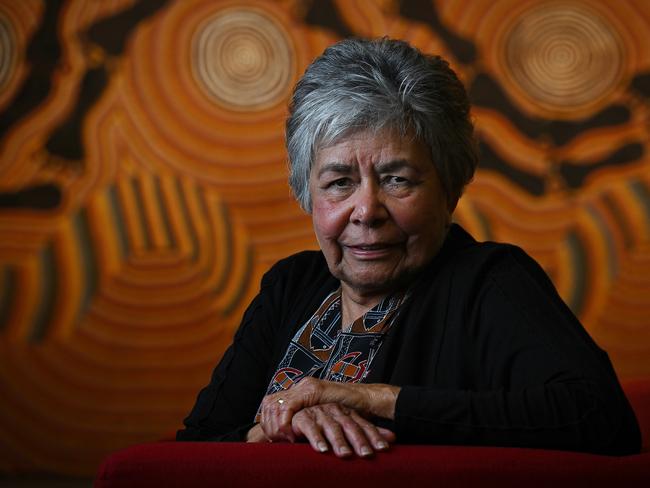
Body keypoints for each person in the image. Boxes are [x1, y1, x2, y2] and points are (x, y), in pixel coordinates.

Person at [177, 37, 641, 457]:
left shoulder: (491, 282)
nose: (366, 210)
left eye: (397, 179)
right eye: (339, 183)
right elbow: (196, 444)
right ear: (307, 194)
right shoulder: (288, 286)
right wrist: (282, 426)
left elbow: (599, 418)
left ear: (450, 190)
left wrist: (372, 397)